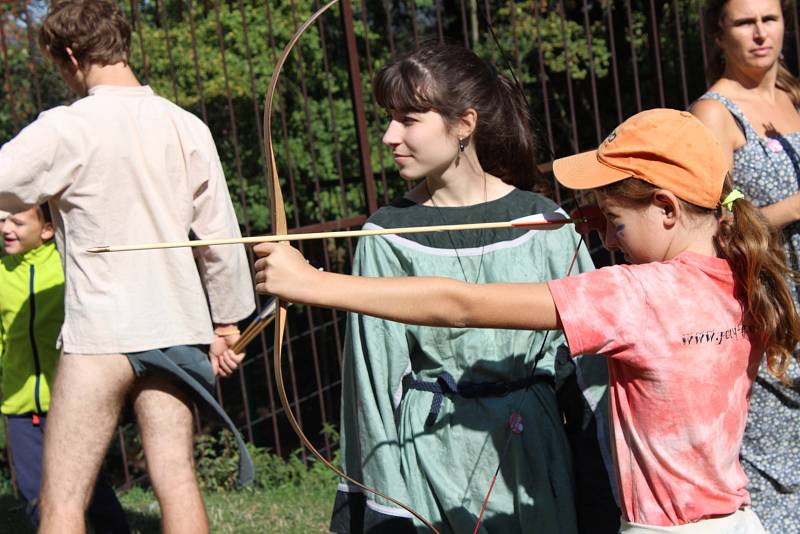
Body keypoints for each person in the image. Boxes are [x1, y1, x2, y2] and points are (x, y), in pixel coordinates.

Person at [253, 108, 800, 533]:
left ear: (666, 207)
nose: (606, 239)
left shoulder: (634, 295)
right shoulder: (742, 273)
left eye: (613, 223)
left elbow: (460, 305)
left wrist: (313, 284)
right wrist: (608, 219)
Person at [324, 44, 617, 533]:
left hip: (534, 458)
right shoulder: (386, 235)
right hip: (431, 456)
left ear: (465, 123)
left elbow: (586, 370)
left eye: (409, 118)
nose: (388, 136)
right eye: (389, 118)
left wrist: (597, 478)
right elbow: (372, 387)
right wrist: (383, 508)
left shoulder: (545, 223)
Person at [0, 1, 255, 533]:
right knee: (177, 479)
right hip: (177, 326)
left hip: (102, 334)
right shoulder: (187, 127)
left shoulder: (67, 127)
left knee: (63, 499)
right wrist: (228, 323)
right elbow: (221, 239)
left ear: (71, 56)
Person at [690, 0, 800, 530]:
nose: (760, 33)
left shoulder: (796, 99)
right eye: (743, 22)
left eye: (770, 19)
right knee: (779, 483)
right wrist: (793, 208)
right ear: (719, 34)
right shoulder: (713, 114)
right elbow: (710, 227)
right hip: (773, 314)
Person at [1, 205, 129, 532]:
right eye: (1, 219)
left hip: (70, 402)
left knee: (87, 486)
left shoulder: (66, 269)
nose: (5, 227)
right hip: (19, 405)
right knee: (32, 491)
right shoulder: (1, 274)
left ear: (47, 229)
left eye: (17, 220)